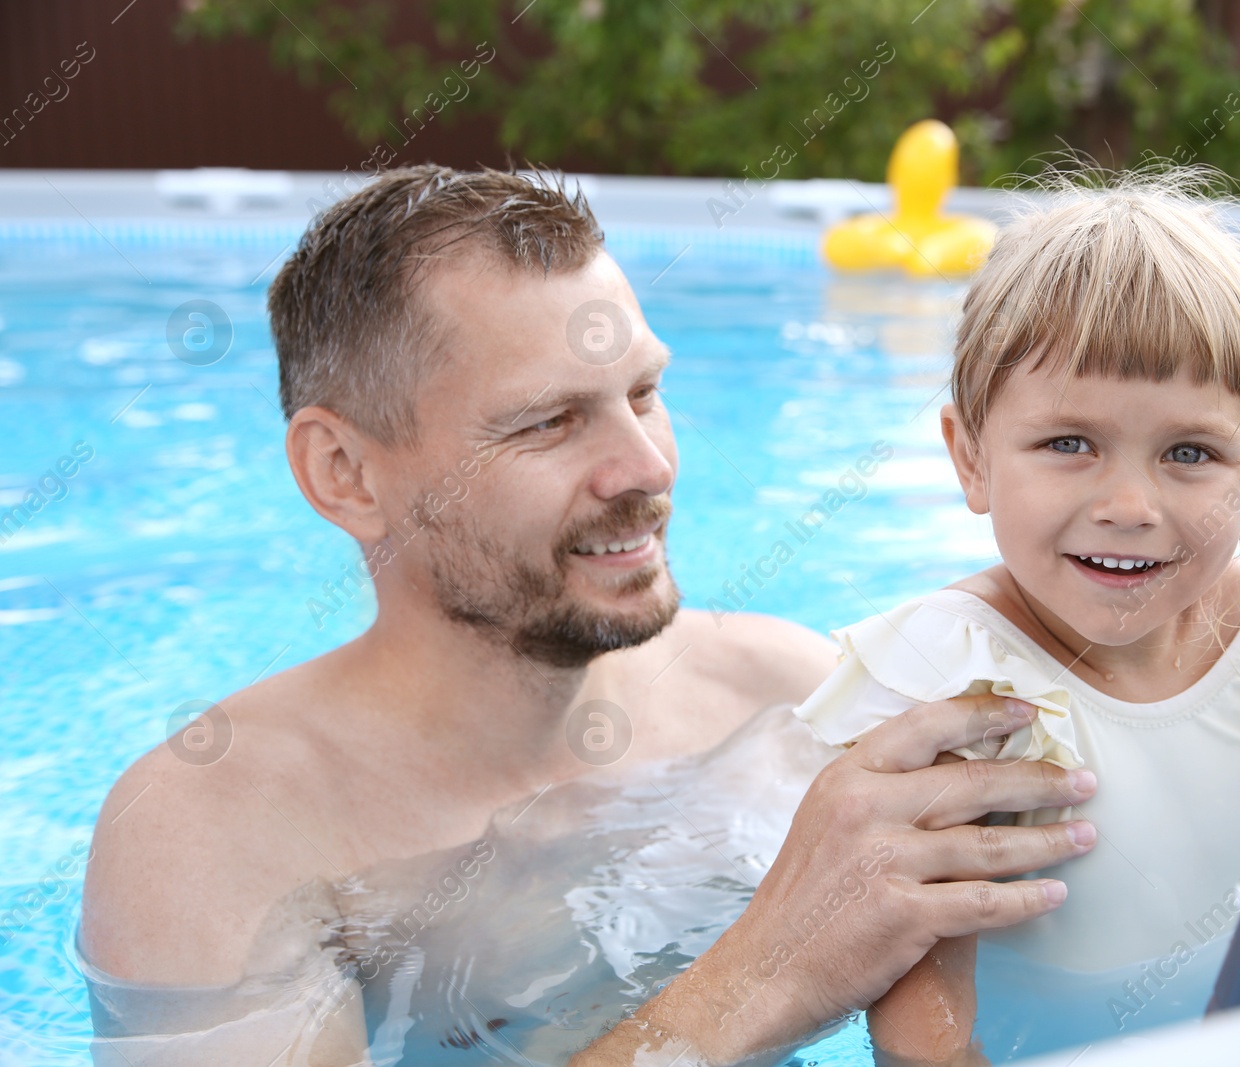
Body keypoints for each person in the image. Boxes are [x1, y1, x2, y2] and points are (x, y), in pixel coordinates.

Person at [76, 164, 1100, 1066]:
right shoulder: (217, 831)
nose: (647, 467)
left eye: (643, 392)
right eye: (549, 421)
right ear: (345, 472)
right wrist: (763, 975)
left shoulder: (783, 697)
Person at [794, 169, 1240, 1064]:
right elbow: (923, 1033)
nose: (1130, 502)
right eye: (1069, 444)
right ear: (969, 457)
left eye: (1190, 452)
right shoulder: (954, 686)